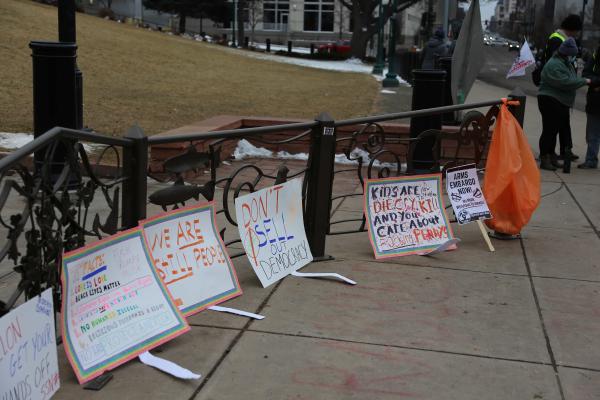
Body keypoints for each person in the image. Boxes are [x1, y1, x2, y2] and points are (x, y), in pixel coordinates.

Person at [537, 37, 591, 171]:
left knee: (554, 130)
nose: (574, 57)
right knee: (549, 131)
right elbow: (566, 82)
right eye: (573, 54)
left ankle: (551, 156)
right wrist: (584, 81)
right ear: (567, 53)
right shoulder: (554, 64)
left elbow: (571, 78)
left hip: (559, 101)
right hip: (550, 100)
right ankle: (544, 158)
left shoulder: (565, 63)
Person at [537, 14, 584, 161]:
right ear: (572, 29)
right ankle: (550, 153)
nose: (578, 34)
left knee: (561, 123)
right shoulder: (557, 39)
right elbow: (556, 67)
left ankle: (563, 150)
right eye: (577, 31)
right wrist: (579, 81)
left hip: (560, 93)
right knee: (552, 127)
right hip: (554, 91)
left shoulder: (562, 38)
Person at [579, 43, 600, 169]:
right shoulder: (595, 56)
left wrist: (595, 83)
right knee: (592, 134)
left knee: (593, 134)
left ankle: (591, 159)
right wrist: (595, 83)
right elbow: (585, 75)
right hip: (595, 102)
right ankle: (591, 159)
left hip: (595, 100)